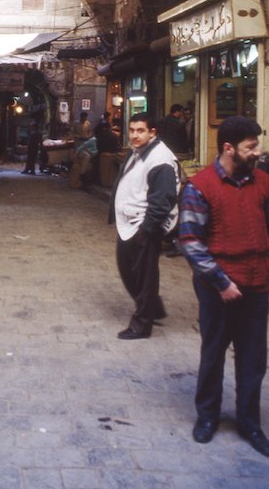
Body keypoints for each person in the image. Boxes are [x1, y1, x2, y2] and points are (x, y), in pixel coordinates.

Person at [178, 116, 269, 456]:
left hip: (258, 284)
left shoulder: (263, 182)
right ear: (229, 148)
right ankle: (207, 417)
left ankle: (250, 422)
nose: (257, 152)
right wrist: (221, 281)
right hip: (218, 288)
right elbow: (190, 241)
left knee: (253, 359)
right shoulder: (200, 186)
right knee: (213, 353)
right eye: (251, 147)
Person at [109, 111, 179, 339]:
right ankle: (153, 309)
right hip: (128, 223)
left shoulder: (161, 159)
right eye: (131, 130)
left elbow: (163, 200)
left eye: (140, 131)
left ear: (152, 132)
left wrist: (147, 231)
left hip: (143, 226)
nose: (134, 135)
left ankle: (141, 324)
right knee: (128, 269)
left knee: (144, 276)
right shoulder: (138, 151)